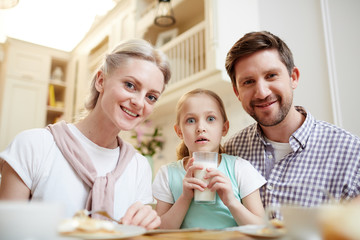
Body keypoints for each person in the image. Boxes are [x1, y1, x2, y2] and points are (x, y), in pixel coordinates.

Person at [0, 39, 171, 230]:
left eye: (151, 97)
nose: (140, 102)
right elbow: (6, 233)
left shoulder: (139, 167)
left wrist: (143, 225)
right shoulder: (33, 145)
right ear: (101, 81)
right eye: (130, 85)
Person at [224, 31, 360, 207]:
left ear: (293, 77)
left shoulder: (351, 153)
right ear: (237, 92)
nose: (262, 92)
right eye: (248, 82)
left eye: (271, 75)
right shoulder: (230, 152)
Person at [152, 88, 266, 229]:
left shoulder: (240, 168)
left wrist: (231, 201)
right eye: (191, 120)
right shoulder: (167, 174)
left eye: (210, 119)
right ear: (179, 132)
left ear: (224, 128)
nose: (200, 128)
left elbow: (262, 228)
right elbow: (159, 231)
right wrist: (185, 198)